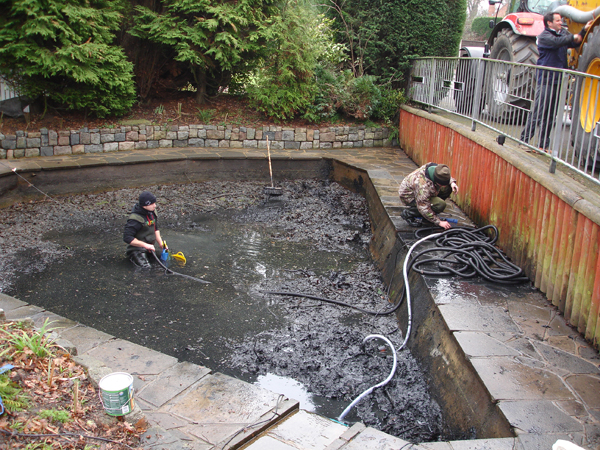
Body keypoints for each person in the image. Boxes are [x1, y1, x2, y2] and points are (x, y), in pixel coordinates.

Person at [520, 12, 589, 152]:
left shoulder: (562, 34)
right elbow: (559, 42)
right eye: (557, 20)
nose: (560, 22)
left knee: (550, 114)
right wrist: (572, 36)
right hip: (546, 79)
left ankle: (543, 145)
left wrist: (583, 31)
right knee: (539, 111)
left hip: (558, 80)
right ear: (549, 23)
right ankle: (524, 140)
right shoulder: (544, 36)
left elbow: (574, 41)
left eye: (560, 20)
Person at [399, 163, 458, 230]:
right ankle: (409, 213)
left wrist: (452, 182)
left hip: (423, 191)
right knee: (440, 204)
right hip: (409, 197)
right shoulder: (423, 186)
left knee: (448, 187)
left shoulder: (437, 169)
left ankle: (432, 211)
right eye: (441, 184)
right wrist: (438, 222)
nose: (443, 186)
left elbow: (445, 175)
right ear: (436, 180)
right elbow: (423, 207)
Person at [123, 191, 164, 268]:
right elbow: (127, 238)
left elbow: (155, 228)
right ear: (144, 206)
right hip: (136, 249)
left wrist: (161, 243)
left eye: (155, 203)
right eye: (151, 204)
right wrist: (145, 245)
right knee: (146, 268)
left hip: (149, 247)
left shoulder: (152, 212)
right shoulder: (135, 220)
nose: (155, 206)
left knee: (162, 261)